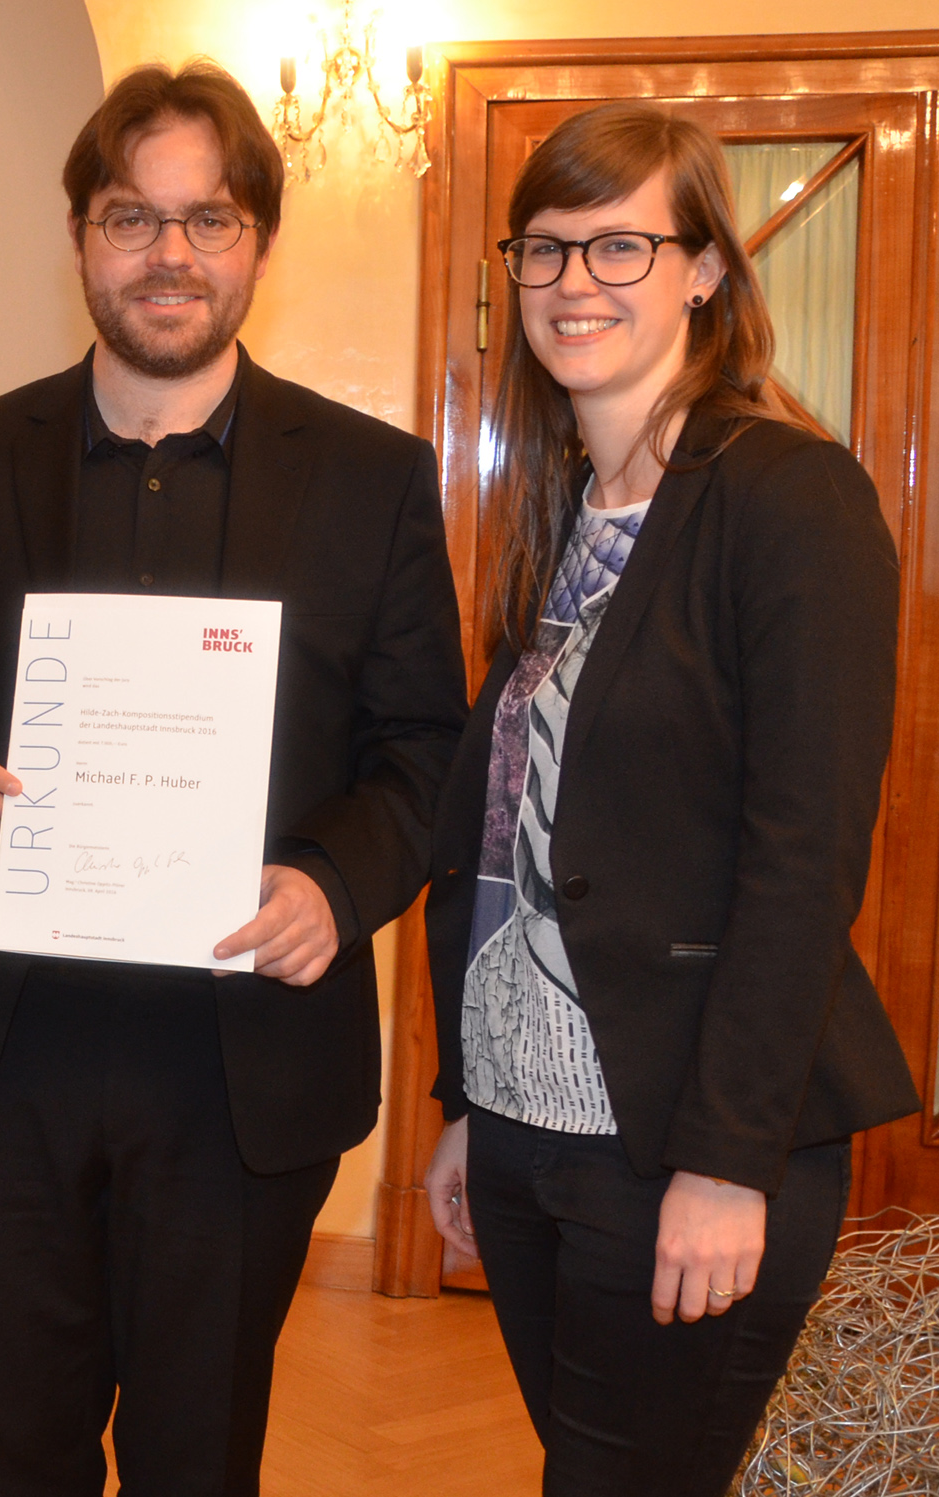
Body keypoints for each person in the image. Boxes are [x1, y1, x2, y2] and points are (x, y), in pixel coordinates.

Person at [0, 61, 469, 1495]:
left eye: (210, 219)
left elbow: (424, 748)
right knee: (19, 1448)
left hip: (240, 1059)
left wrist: (336, 879)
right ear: (80, 236)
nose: (171, 254)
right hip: (13, 1053)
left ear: (257, 242)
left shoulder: (373, 476)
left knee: (202, 1456)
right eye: (134, 218)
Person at [420, 102, 916, 1496]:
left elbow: (803, 854)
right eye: (547, 250)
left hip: (680, 1141)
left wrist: (724, 1160)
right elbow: (518, 834)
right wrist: (470, 1100)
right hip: (527, 1130)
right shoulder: (561, 512)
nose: (576, 282)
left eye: (623, 246)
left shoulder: (789, 496)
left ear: (705, 269)